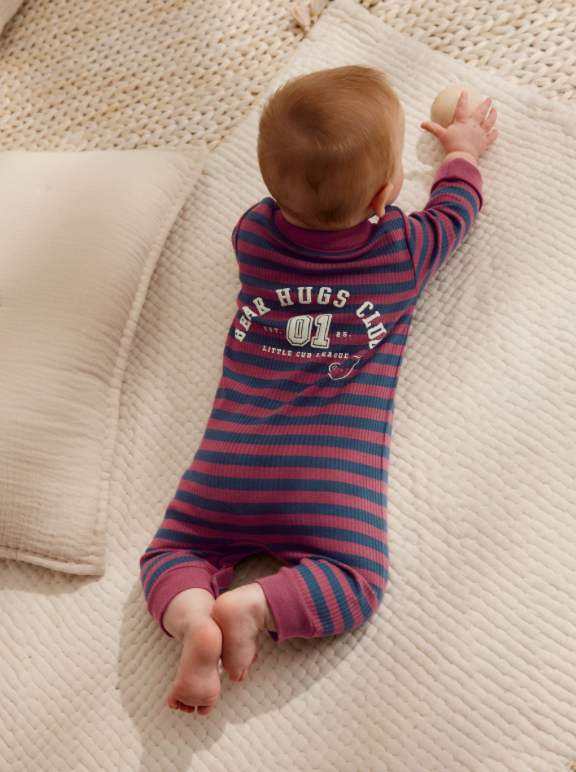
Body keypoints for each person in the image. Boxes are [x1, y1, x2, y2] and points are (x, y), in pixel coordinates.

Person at [139, 65, 498, 715]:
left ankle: (194, 617)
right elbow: (457, 208)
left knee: (171, 552)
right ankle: (258, 606)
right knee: (356, 582)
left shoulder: (253, 234)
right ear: (387, 192)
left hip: (228, 463)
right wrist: (463, 151)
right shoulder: (403, 250)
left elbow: (286, 211)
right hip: (326, 482)